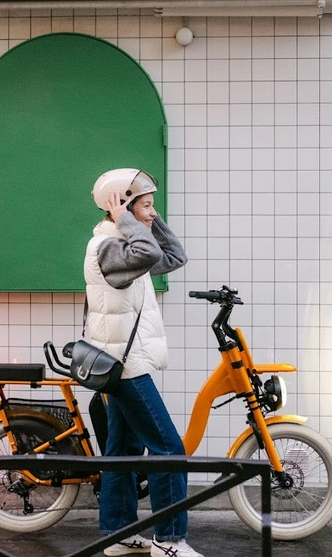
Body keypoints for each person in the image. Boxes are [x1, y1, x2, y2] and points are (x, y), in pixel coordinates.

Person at [84, 168, 202, 557]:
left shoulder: (125, 246)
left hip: (121, 362)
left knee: (122, 449)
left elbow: (173, 255)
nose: (153, 214)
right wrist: (125, 217)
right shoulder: (111, 249)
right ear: (121, 206)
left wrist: (143, 216)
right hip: (125, 366)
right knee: (169, 449)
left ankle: (116, 535)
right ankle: (168, 541)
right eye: (147, 206)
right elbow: (150, 251)